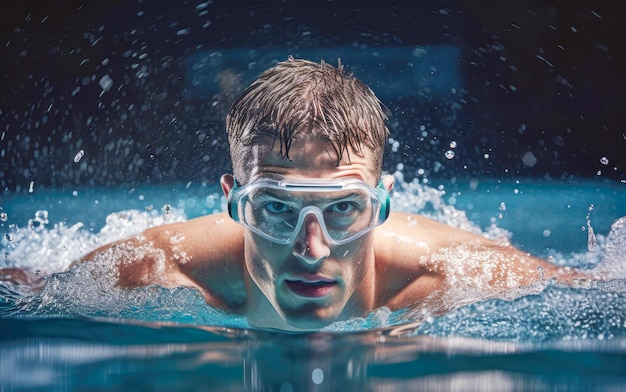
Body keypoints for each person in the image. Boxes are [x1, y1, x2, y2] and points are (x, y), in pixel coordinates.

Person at [5, 58, 578, 331]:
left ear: (383, 204)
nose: (312, 247)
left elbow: (596, 289)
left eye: (343, 209)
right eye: (276, 208)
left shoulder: (461, 275)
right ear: (233, 202)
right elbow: (32, 289)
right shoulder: (158, 270)